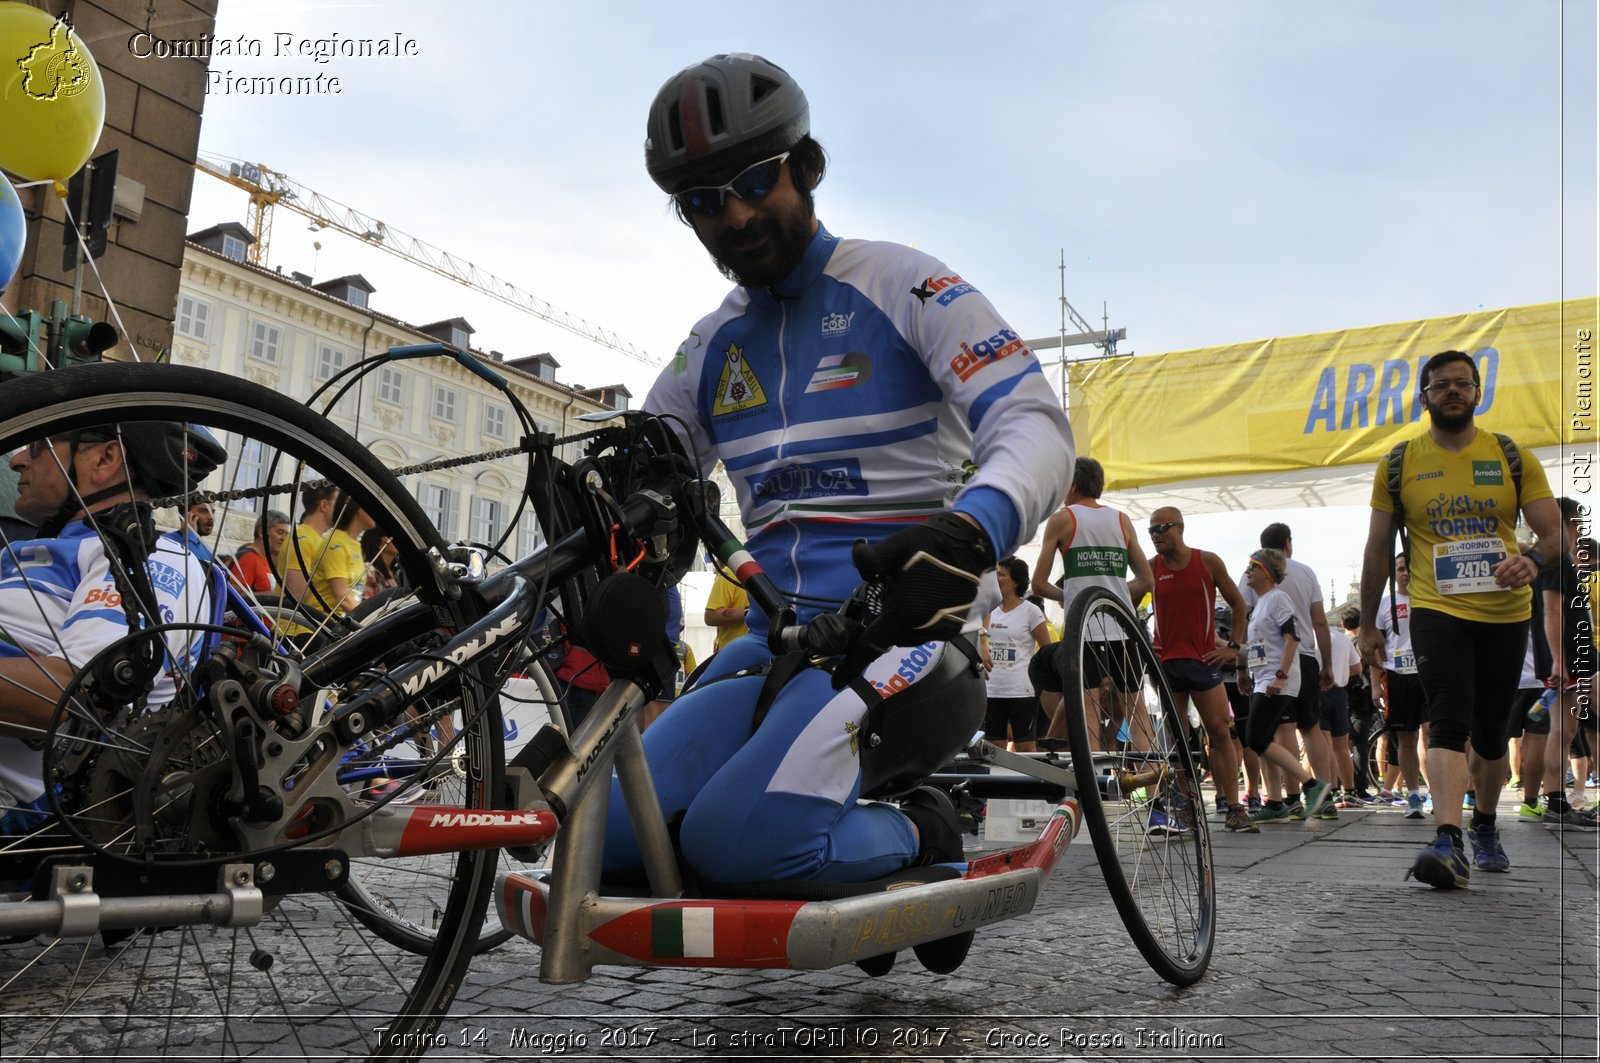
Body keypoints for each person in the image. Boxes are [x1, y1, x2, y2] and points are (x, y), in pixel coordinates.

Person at [609, 50, 1072, 929]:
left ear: (807, 167)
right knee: (600, 841)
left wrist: (974, 528)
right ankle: (842, 820)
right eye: (704, 203)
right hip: (771, 651)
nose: (736, 216)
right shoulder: (708, 346)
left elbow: (1036, 424)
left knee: (735, 845)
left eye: (753, 181)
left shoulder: (903, 282)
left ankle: (922, 825)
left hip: (911, 644)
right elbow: (645, 479)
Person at [1358, 349, 1563, 889]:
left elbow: (1557, 534)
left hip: (1504, 612)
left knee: (1493, 733)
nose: (1453, 391)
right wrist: (1370, 626)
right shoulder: (1399, 464)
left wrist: (1533, 558)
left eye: (1463, 384)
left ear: (1477, 393)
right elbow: (1378, 548)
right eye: (1441, 385)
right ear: (1423, 397)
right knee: (1446, 717)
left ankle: (1487, 824)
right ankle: (1448, 839)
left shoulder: (1512, 456)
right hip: (1435, 607)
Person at [2, 422, 224, 833]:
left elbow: (74, 695)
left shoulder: (152, 554)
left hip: (28, 805)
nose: (16, 459)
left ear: (104, 459)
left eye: (36, 445)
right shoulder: (37, 550)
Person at [1030, 456, 1153, 750]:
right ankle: (1156, 792)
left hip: (1085, 632)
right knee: (1138, 715)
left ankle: (1095, 790)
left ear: (1072, 485)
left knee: (1089, 713)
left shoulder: (1062, 519)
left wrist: (1068, 595)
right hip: (1124, 630)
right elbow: (1147, 580)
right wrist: (1115, 593)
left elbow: (1038, 584)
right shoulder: (1121, 519)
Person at [1145, 507, 1254, 832]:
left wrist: (1232, 647)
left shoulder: (1207, 561)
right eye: (1151, 530)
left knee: (1220, 732)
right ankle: (1187, 809)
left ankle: (1234, 807)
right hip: (1167, 665)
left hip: (1203, 661)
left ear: (1179, 527)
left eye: (1162, 528)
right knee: (1177, 740)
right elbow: (1122, 595)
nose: (1156, 535)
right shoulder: (1151, 568)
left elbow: (1239, 604)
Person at [1239, 523, 1337, 819]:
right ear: (1287, 543)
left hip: (1280, 673)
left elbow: (1290, 636)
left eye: (1251, 568)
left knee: (1270, 734)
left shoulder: (1276, 597)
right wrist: (1232, 653)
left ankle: (1305, 790)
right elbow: (1314, 624)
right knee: (1296, 731)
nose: (1246, 574)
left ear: (1266, 568)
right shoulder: (1300, 577)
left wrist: (1279, 676)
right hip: (1278, 669)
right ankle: (1289, 799)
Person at [1539, 498, 1597, 831]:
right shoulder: (1557, 559)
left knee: (1565, 730)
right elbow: (1552, 611)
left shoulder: (1557, 560)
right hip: (1572, 655)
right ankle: (1557, 801)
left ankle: (1557, 802)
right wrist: (1560, 659)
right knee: (1562, 732)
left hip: (1573, 653)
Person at [982, 556, 1052, 753]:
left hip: (1022, 692)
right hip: (991, 690)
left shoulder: (1031, 611)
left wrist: (1046, 686)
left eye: (1001, 575)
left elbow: (1046, 651)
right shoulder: (989, 610)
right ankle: (997, 784)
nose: (995, 578)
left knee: (1025, 746)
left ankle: (1028, 785)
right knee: (993, 748)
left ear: (1015, 581)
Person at [230, 508, 290, 595]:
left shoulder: (269, 562)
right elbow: (234, 597)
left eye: (286, 535)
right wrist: (275, 596)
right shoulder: (248, 558)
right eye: (280, 532)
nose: (284, 538)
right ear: (262, 532)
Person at [703, 567, 749, 654]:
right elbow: (711, 616)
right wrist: (752, 611)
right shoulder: (731, 573)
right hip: (734, 653)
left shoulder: (777, 573)